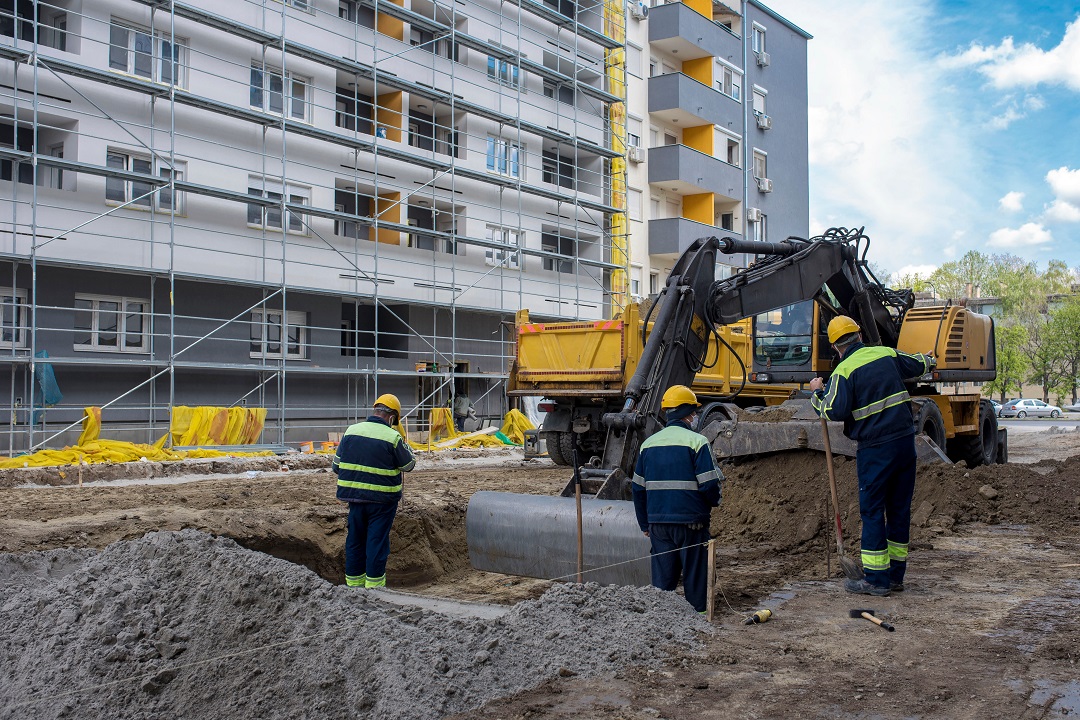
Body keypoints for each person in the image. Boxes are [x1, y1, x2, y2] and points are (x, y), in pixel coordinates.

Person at [809, 315, 933, 597]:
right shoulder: (886, 354)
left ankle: (876, 580)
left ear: (835, 346)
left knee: (873, 510)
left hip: (876, 449)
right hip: (904, 443)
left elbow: (833, 410)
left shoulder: (844, 371)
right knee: (899, 509)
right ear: (860, 334)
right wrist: (929, 360)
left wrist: (816, 393)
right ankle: (895, 577)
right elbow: (917, 364)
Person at [631, 385, 723, 613]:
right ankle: (698, 619)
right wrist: (713, 503)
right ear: (688, 413)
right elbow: (710, 484)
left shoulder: (648, 445)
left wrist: (645, 524)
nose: (695, 416)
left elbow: (637, 488)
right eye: (694, 412)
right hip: (692, 523)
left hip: (658, 525)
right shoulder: (697, 442)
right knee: (695, 575)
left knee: (663, 582)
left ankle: (662, 620)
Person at [333, 393, 416, 589]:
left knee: (355, 541)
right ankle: (375, 589)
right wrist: (403, 439)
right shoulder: (392, 437)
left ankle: (353, 586)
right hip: (382, 501)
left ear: (375, 410)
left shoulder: (351, 431)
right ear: (393, 417)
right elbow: (409, 465)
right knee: (376, 543)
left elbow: (337, 466)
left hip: (354, 498)